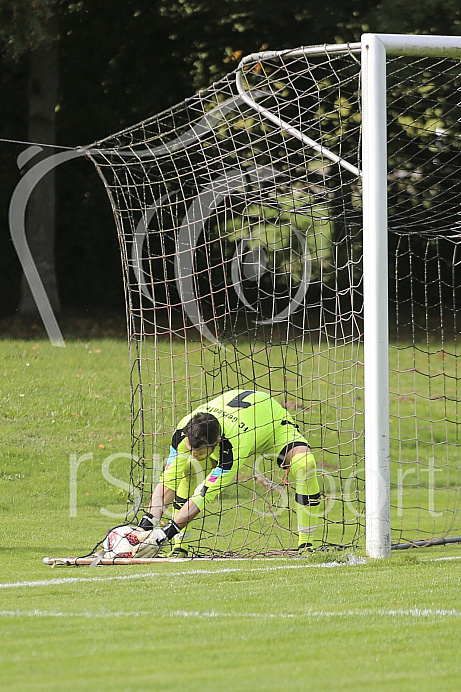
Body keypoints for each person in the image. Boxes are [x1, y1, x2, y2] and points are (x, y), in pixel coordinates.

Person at [136, 389, 322, 557]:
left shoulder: (232, 445)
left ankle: (306, 545)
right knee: (188, 469)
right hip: (242, 419)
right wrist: (148, 522)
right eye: (191, 449)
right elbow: (168, 480)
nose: (193, 454)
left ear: (216, 442)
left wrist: (166, 532)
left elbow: (204, 494)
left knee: (305, 464)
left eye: (199, 451)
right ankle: (179, 547)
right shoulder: (184, 431)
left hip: (272, 425)